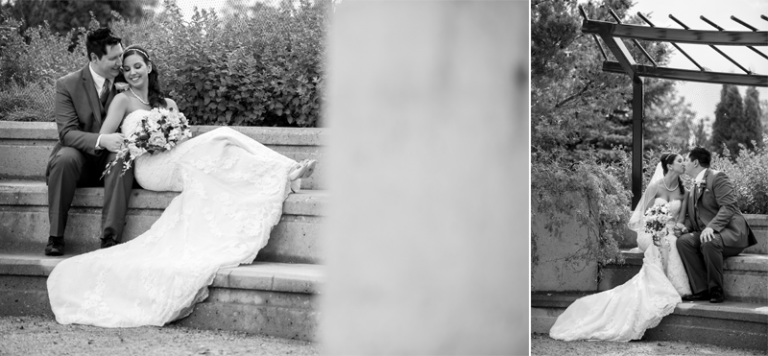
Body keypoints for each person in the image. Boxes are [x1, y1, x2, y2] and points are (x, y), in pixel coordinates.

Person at [46, 45, 317, 327]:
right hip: (150, 168)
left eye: (137, 66)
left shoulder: (168, 103)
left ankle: (286, 171)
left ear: (149, 67)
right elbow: (105, 139)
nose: (132, 72)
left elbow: (183, 140)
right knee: (223, 134)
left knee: (224, 148)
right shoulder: (122, 100)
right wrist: (145, 140)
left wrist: (169, 136)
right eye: (126, 69)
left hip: (175, 158)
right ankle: (287, 169)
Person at [549, 153, 690, 342]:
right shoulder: (655, 187)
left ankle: (672, 286)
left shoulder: (684, 191)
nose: (684, 163)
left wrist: (679, 227)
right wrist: (656, 231)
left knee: (670, 242)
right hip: (649, 232)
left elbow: (681, 220)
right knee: (661, 244)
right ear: (670, 165)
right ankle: (661, 286)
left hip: (669, 231)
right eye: (680, 160)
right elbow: (644, 216)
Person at [45, 28, 131, 256]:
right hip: (79, 161)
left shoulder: (128, 79)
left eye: (121, 56)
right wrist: (102, 139)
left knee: (122, 157)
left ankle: (110, 238)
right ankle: (55, 237)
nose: (120, 63)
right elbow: (67, 133)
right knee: (64, 158)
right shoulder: (67, 84)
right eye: (114, 58)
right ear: (94, 57)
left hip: (111, 160)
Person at [675, 147, 756, 303]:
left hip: (730, 233)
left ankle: (716, 290)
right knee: (684, 242)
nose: (684, 163)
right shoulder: (693, 187)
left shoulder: (718, 177)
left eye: (686, 160)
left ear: (695, 162)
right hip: (708, 233)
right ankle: (701, 290)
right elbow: (696, 217)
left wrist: (711, 227)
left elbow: (729, 206)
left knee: (709, 241)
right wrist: (685, 228)